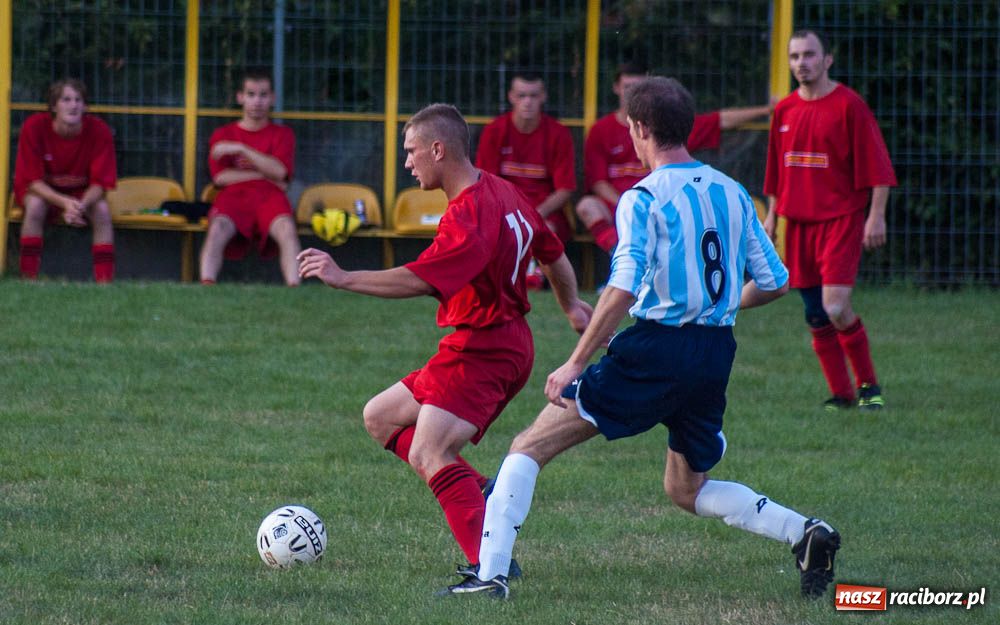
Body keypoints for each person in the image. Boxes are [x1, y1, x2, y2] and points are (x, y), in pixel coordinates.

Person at [444, 77, 841, 601]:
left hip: (657, 347)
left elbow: (623, 285)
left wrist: (575, 362)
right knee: (685, 488)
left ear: (640, 128)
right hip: (714, 353)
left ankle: (489, 576)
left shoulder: (643, 197)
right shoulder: (731, 191)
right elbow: (775, 281)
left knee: (529, 445)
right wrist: (716, 307)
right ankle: (804, 532)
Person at [298, 103, 593, 581]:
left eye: (411, 151)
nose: (407, 162)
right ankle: (484, 495)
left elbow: (418, 279)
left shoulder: (468, 216)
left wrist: (344, 276)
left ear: (438, 150)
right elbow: (553, 254)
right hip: (490, 342)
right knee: (380, 416)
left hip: (485, 348)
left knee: (429, 452)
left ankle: (489, 568)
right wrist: (571, 305)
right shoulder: (503, 190)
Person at [763, 30, 896, 411]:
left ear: (827, 60)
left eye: (809, 55)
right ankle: (841, 394)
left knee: (836, 307)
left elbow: (878, 166)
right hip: (798, 224)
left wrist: (876, 216)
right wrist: (771, 217)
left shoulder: (849, 105)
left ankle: (869, 386)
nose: (801, 63)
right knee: (816, 313)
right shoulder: (785, 110)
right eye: (794, 56)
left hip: (840, 220)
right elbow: (776, 171)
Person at [577, 61, 775, 254]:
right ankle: (620, 253)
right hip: (621, 205)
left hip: (662, 206)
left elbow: (718, 120)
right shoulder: (601, 131)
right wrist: (629, 205)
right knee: (588, 205)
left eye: (638, 88)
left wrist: (767, 110)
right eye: (628, 87)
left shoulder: (666, 125)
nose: (632, 95)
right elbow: (598, 183)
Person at [199, 69, 301, 286]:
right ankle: (206, 284)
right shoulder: (223, 134)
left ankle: (295, 287)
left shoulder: (283, 134)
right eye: (251, 94)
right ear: (240, 97)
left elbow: (280, 172)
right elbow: (220, 178)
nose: (257, 101)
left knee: (287, 229)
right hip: (234, 197)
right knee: (217, 228)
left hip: (269, 196)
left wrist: (242, 149)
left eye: (263, 95)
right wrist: (264, 173)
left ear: (272, 98)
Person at [13, 78, 117, 282]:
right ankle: (28, 279)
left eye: (78, 100)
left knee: (102, 210)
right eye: (66, 100)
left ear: (85, 106)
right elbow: (32, 181)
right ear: (54, 106)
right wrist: (64, 203)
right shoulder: (34, 126)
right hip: (43, 192)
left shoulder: (99, 130)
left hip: (81, 195)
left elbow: (100, 184)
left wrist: (78, 206)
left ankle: (105, 282)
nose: (73, 105)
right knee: (35, 206)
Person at [475, 70, 577, 245]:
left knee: (545, 232)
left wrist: (534, 215)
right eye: (521, 96)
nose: (527, 102)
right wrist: (508, 215)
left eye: (533, 96)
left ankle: (538, 266)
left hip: (545, 212)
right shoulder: (494, 131)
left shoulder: (558, 134)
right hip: (503, 209)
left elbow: (565, 189)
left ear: (543, 97)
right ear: (511, 97)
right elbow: (485, 182)